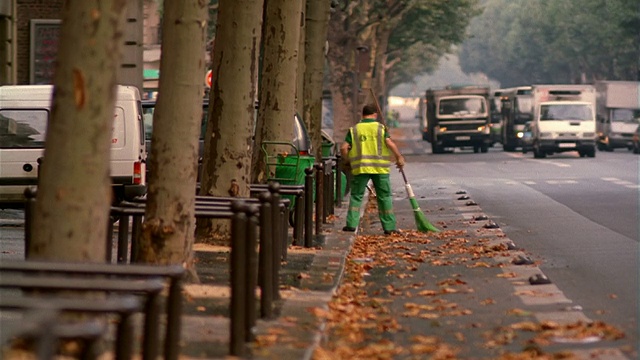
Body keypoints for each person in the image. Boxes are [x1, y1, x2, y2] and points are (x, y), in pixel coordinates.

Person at [340, 104, 405, 235]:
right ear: (375, 114)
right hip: (380, 169)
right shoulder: (380, 128)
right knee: (384, 197)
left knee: (356, 196)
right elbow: (389, 143)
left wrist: (347, 161)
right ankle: (389, 227)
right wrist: (399, 157)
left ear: (363, 115)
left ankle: (351, 225)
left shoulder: (354, 129)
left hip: (360, 168)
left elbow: (343, 148)